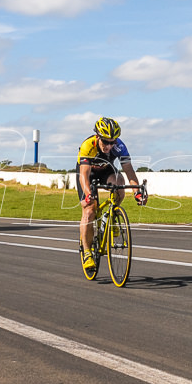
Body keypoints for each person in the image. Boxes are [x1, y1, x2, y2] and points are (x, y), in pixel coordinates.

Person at [77, 116, 146, 276]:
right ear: (98, 137)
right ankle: (87, 252)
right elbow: (84, 175)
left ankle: (112, 219)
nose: (109, 145)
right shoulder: (88, 145)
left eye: (112, 142)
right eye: (105, 142)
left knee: (120, 185)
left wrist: (137, 192)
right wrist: (88, 195)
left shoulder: (119, 146)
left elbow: (128, 170)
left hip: (106, 171)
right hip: (88, 173)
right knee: (89, 210)